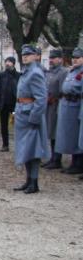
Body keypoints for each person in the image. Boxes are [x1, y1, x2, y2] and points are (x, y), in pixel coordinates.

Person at [12, 44, 50, 194]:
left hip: (30, 116)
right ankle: (28, 180)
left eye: (28, 54)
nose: (25, 56)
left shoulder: (35, 73)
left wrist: (34, 118)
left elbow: (41, 99)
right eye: (23, 54)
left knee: (33, 150)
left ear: (36, 56)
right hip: (22, 113)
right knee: (26, 149)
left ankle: (34, 182)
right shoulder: (26, 72)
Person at [55, 47, 83, 175]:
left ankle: (78, 163)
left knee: (76, 136)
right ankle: (73, 162)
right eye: (74, 58)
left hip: (76, 106)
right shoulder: (71, 71)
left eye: (78, 58)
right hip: (66, 106)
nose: (75, 60)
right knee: (69, 136)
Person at [43, 49, 68, 169]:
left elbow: (64, 90)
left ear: (60, 59)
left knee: (56, 132)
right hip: (48, 106)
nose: (51, 60)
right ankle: (53, 157)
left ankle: (57, 159)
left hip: (57, 105)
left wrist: (55, 98)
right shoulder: (49, 72)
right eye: (50, 58)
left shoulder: (63, 72)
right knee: (51, 131)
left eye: (54, 58)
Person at [0, 56, 20, 151]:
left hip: (15, 103)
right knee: (3, 125)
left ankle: (19, 144)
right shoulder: (1, 75)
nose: (7, 63)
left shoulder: (18, 75)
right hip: (4, 103)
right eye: (6, 62)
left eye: (9, 62)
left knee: (18, 124)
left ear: (13, 63)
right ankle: (5, 145)